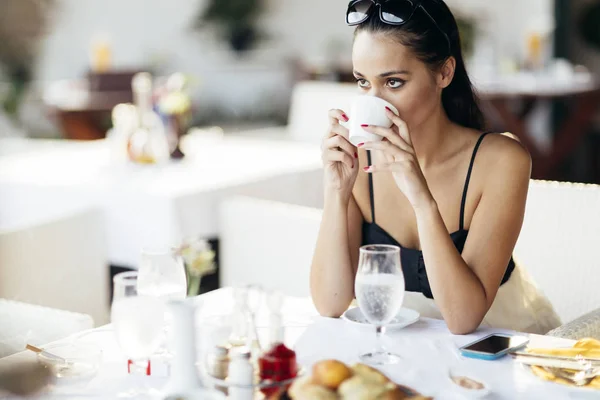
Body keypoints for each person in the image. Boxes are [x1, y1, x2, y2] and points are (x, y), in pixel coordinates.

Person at [310, 0, 560, 335]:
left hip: (495, 346)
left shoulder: (500, 161)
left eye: (393, 82)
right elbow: (330, 302)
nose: (375, 101)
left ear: (444, 72)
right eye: (363, 82)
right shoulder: (360, 162)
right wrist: (336, 192)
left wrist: (420, 197)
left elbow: (463, 320)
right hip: (401, 344)